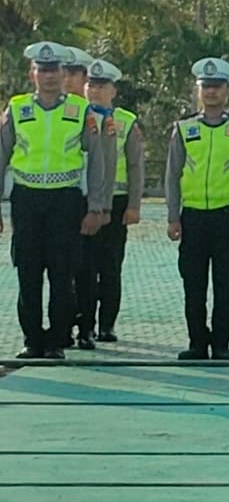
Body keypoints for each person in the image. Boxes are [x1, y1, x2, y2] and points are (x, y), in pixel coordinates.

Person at [2, 41, 112, 358]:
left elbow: (97, 163)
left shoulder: (80, 111)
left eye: (55, 71)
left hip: (65, 200)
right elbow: (1, 154)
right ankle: (32, 340)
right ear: (32, 73)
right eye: (43, 70)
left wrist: (96, 206)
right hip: (27, 200)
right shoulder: (17, 108)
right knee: (29, 272)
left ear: (64, 74)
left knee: (62, 273)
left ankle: (57, 340)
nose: (49, 76)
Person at [165, 57, 229, 361]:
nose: (211, 93)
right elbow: (172, 175)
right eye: (206, 87)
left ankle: (221, 344)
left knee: (226, 284)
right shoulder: (184, 128)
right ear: (198, 90)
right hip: (192, 217)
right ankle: (197, 343)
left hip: (225, 216)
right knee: (193, 283)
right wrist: (172, 217)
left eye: (217, 87)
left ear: (227, 91)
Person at [80, 59, 143, 344]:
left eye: (101, 86)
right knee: (81, 267)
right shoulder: (74, 115)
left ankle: (106, 324)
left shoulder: (127, 122)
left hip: (116, 203)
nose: (95, 91)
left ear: (113, 91)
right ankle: (84, 325)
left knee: (110, 266)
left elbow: (135, 166)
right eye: (91, 85)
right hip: (82, 201)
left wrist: (133, 205)